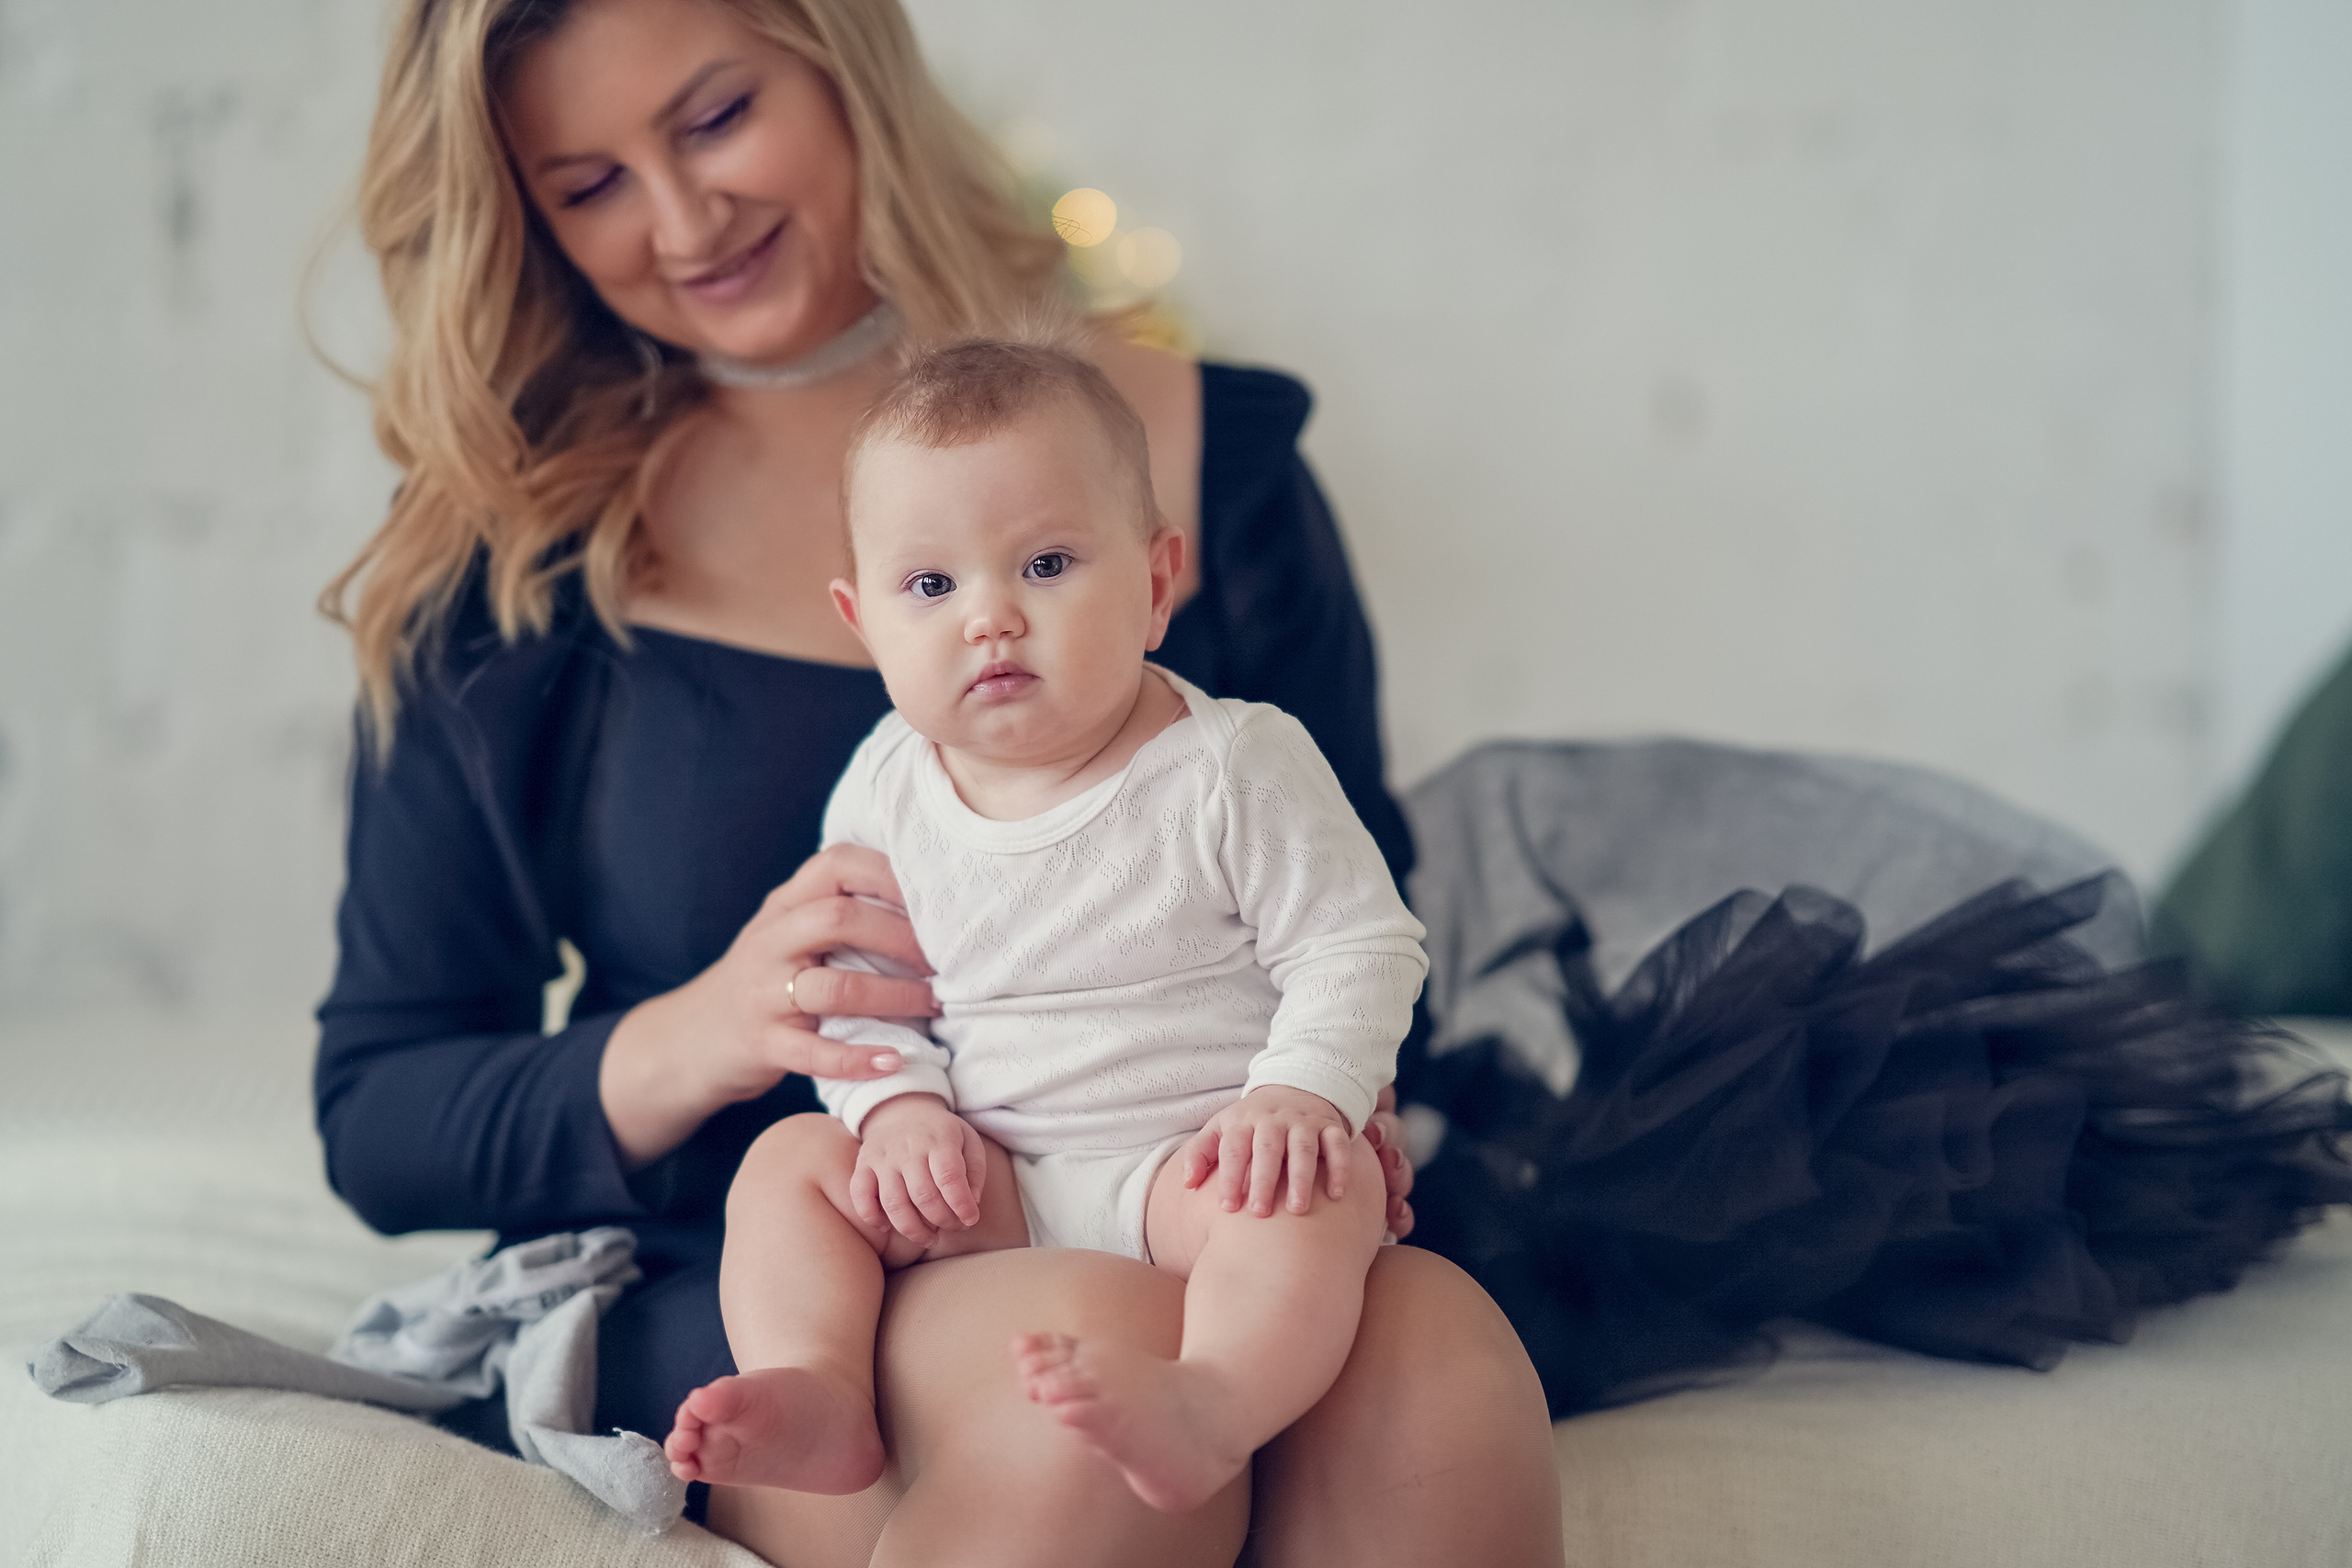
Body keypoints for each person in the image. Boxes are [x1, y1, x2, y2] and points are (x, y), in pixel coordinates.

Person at [313, 0, 1563, 1563]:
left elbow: (1358, 916)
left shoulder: (1214, 456)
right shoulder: (511, 561)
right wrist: (711, 1029)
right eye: (591, 185)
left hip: (1187, 1163)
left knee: (1439, 1355)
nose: (685, 221)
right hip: (792, 1252)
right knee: (1078, 1376)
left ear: (846, 65)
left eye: (715, 119)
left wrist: (1330, 1094)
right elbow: (379, 1111)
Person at [662, 339, 1426, 1516]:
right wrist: (899, 1111)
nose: (991, 619)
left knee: (1319, 1195)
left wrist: (1305, 1091)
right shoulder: (884, 786)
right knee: (789, 1167)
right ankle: (818, 1383)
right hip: (985, 1185)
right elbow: (861, 986)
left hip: (1195, 1170)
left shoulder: (1232, 765)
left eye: (1048, 564)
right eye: (931, 587)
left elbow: (1358, 946)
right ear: (861, 622)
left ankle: (1211, 1399)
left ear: (1157, 584)